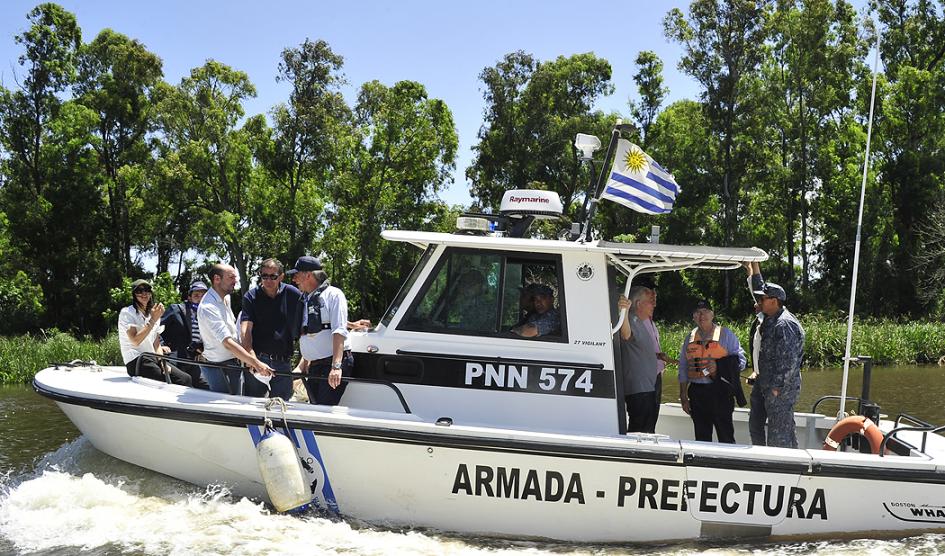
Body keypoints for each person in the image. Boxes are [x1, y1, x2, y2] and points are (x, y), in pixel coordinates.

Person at [750, 266, 805, 449]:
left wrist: (776, 388)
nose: (758, 302)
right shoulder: (770, 318)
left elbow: (789, 362)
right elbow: (757, 285)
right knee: (768, 426)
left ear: (774, 301)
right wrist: (752, 267)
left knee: (779, 433)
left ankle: (783, 469)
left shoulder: (785, 324)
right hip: (766, 384)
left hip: (780, 390)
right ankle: (764, 460)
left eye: (762, 299)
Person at [198, 263, 274, 395]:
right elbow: (227, 342)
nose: (236, 281)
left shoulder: (226, 298)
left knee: (235, 403)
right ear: (217, 279)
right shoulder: (208, 307)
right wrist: (256, 363)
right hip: (218, 368)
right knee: (225, 409)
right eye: (231, 277)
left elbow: (233, 333)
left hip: (232, 363)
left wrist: (246, 359)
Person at [678, 299, 747, 443]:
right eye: (697, 313)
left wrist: (719, 366)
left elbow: (741, 361)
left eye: (705, 312)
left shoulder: (726, 335)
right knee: (701, 437)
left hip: (720, 392)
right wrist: (683, 396)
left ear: (712, 314)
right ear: (693, 317)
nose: (701, 316)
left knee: (725, 435)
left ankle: (727, 463)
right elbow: (683, 367)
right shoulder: (689, 338)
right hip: (697, 393)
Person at [289, 256, 352, 406]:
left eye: (297, 275)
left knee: (323, 409)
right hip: (314, 366)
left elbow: (339, 330)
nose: (294, 280)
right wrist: (302, 367)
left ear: (308, 275)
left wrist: (336, 367)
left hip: (331, 364)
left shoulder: (333, 295)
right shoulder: (304, 300)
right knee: (315, 408)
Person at [240, 259, 303, 399]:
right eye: (264, 276)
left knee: (282, 407)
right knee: (252, 405)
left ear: (281, 276)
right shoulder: (251, 296)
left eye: (273, 276)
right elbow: (246, 331)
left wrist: (345, 324)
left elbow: (311, 316)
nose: (268, 280)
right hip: (258, 359)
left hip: (283, 362)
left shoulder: (292, 294)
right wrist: (252, 359)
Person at [118, 279, 193, 386]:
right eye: (139, 291)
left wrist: (162, 362)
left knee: (185, 379)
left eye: (147, 290)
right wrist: (152, 320)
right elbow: (135, 341)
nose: (144, 294)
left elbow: (156, 343)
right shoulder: (127, 313)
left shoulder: (153, 314)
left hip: (153, 358)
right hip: (137, 360)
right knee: (168, 383)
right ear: (134, 295)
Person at [617, 286, 658, 433]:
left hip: (646, 387)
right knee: (640, 430)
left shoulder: (641, 322)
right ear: (639, 304)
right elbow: (626, 335)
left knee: (647, 427)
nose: (653, 305)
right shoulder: (630, 319)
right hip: (639, 389)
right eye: (649, 301)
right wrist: (625, 310)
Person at [160, 280, 210, 389]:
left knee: (208, 386)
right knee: (184, 382)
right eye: (196, 295)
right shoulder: (176, 309)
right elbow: (157, 328)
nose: (200, 298)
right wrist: (161, 344)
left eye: (203, 296)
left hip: (192, 361)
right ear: (190, 297)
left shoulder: (207, 315)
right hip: (174, 358)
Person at [643, 288, 673, 424]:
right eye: (651, 298)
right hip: (646, 376)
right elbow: (635, 349)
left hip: (656, 374)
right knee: (646, 414)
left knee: (654, 413)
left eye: (655, 297)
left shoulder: (652, 322)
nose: (654, 302)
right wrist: (659, 355)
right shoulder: (636, 321)